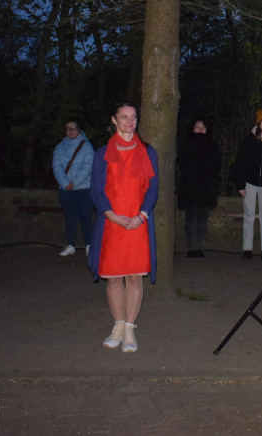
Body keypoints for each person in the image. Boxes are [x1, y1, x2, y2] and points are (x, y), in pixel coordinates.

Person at [87, 103, 158, 354]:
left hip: (138, 223)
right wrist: (112, 216)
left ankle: (130, 328)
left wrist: (141, 216)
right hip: (112, 224)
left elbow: (152, 188)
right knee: (114, 277)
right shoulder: (102, 153)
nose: (130, 121)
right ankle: (117, 325)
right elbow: (97, 189)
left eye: (133, 117)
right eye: (124, 117)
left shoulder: (148, 152)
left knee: (135, 277)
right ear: (114, 120)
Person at [232, 109, 262, 260]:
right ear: (258, 123)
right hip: (250, 182)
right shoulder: (250, 140)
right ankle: (247, 249)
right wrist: (240, 185)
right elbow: (241, 162)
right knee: (249, 215)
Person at [177, 118, 221, 258]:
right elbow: (183, 165)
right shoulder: (186, 144)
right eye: (197, 126)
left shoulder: (212, 145)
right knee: (191, 219)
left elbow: (216, 166)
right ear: (192, 128)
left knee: (203, 220)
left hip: (206, 189)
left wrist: (210, 181)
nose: (201, 129)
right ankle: (192, 247)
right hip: (191, 188)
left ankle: (199, 246)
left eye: (203, 126)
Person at [53, 120, 94, 257]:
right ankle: (71, 244)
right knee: (70, 217)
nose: (71, 131)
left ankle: (89, 244)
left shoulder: (87, 146)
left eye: (73, 128)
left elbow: (88, 166)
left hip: (83, 188)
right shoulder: (60, 147)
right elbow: (56, 166)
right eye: (68, 128)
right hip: (65, 189)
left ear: (78, 129)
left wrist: (74, 182)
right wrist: (65, 183)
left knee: (85, 217)